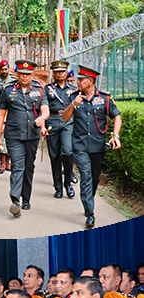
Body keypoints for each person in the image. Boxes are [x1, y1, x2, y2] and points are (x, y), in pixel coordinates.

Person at [62, 65, 122, 229]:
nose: (77, 82)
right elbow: (65, 117)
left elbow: (117, 117)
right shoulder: (74, 97)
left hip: (98, 147)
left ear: (91, 81)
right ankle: (90, 214)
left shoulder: (104, 99)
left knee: (94, 178)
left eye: (81, 79)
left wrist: (115, 135)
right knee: (86, 177)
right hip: (79, 146)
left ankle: (89, 199)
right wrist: (73, 104)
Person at [0, 60, 49, 217]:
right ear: (17, 74)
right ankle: (15, 201)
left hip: (32, 135)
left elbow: (45, 109)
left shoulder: (39, 90)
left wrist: (43, 118)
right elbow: (1, 115)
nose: (25, 76)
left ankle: (26, 198)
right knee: (17, 166)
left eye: (28, 74)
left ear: (32, 75)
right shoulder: (8, 90)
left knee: (28, 167)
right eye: (22, 74)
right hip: (14, 135)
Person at [44, 60, 77, 199]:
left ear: (66, 72)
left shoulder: (73, 89)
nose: (60, 74)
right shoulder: (48, 89)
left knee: (67, 152)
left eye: (63, 71)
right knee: (55, 156)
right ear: (53, 73)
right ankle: (58, 187)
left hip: (67, 123)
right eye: (57, 72)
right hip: (52, 122)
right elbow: (44, 107)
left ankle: (68, 183)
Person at [0, 60, 17, 173]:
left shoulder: (13, 80)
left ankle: (8, 162)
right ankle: (2, 162)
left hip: (11, 110)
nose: (4, 71)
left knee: (9, 136)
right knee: (1, 136)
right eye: (2, 69)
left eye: (6, 69)